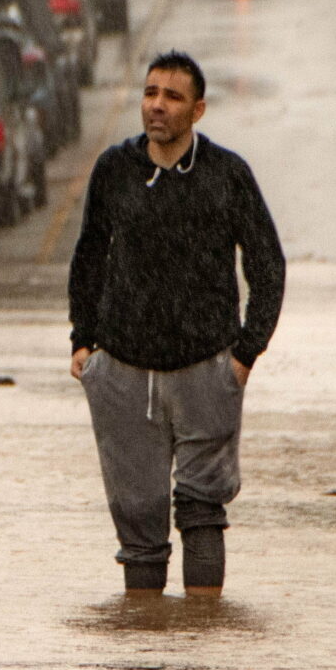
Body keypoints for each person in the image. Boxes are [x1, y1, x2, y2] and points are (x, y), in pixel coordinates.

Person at [68, 51, 285, 596]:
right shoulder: (114, 170)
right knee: (138, 523)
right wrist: (82, 341)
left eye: (172, 97)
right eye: (150, 93)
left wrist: (243, 356)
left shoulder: (227, 175)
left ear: (198, 110)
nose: (157, 106)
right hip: (122, 370)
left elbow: (267, 265)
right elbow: (89, 256)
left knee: (202, 509)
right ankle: (146, 658)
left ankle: (202, 649)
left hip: (206, 368)